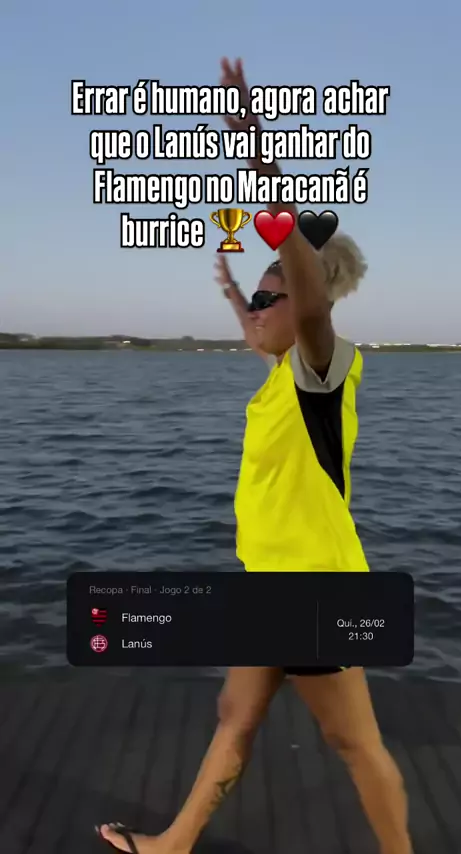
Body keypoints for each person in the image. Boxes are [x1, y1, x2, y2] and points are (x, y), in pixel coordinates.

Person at [97, 58, 413, 854]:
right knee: (235, 715)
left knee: (353, 742)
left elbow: (303, 301)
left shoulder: (321, 366)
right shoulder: (277, 371)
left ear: (305, 302)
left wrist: (260, 155)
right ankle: (174, 845)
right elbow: (258, 325)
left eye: (275, 294)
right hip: (269, 580)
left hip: (314, 586)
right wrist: (236, 290)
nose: (262, 308)